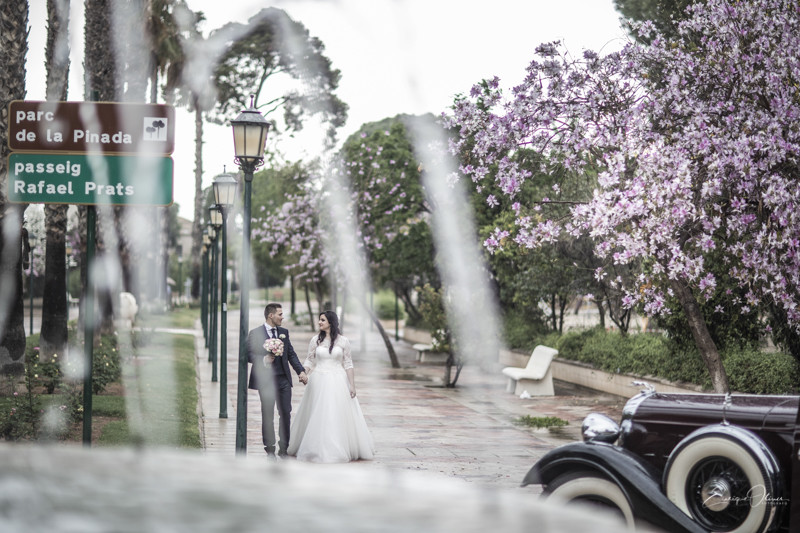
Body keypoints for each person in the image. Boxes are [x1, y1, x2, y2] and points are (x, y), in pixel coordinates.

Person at [287, 311, 374, 463]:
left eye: (322, 320)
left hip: (338, 381)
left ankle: (337, 447)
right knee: (317, 413)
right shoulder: (315, 340)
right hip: (318, 380)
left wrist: (352, 385)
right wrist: (303, 373)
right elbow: (309, 360)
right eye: (319, 320)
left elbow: (348, 363)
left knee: (335, 414)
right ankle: (314, 447)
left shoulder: (343, 341)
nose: (319, 322)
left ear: (331, 322)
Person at [247, 303, 307, 458]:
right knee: (267, 414)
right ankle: (270, 448)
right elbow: (247, 355)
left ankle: (284, 447)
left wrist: (301, 371)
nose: (283, 317)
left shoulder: (283, 332)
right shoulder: (255, 333)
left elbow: (291, 354)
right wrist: (263, 359)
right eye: (280, 314)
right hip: (265, 380)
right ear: (270, 315)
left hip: (283, 380)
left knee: (286, 412)